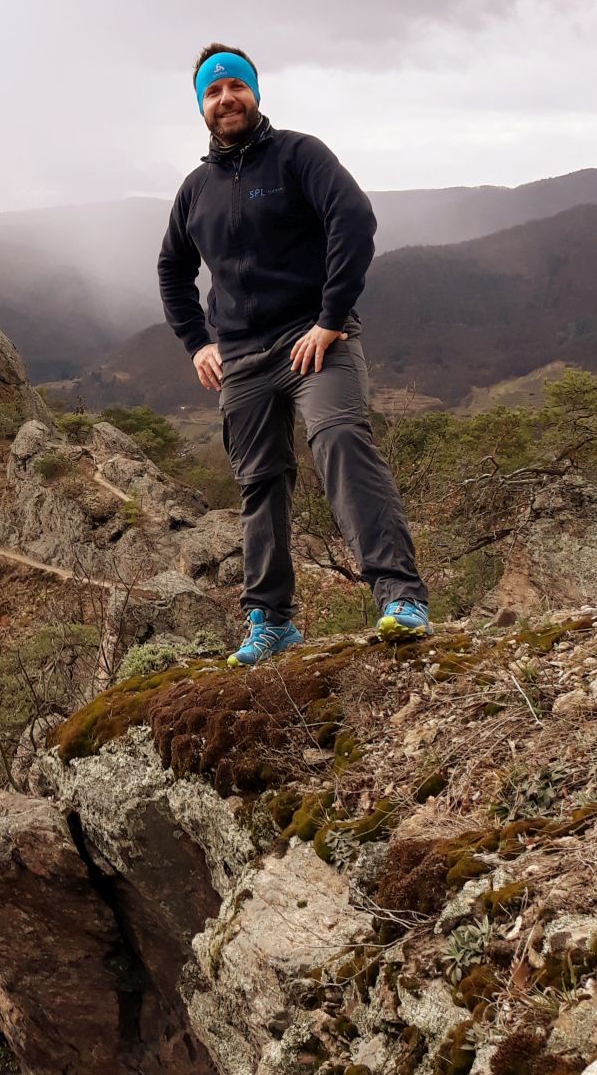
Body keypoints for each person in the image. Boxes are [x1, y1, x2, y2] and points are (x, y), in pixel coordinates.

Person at [156, 44, 430, 666]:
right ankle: (271, 621)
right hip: (244, 359)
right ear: (201, 106)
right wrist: (197, 341)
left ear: (255, 92)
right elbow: (173, 269)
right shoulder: (195, 190)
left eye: (235, 87)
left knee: (339, 442)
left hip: (315, 342)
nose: (225, 99)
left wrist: (331, 319)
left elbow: (353, 219)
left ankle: (399, 598)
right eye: (212, 92)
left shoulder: (299, 155)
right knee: (260, 484)